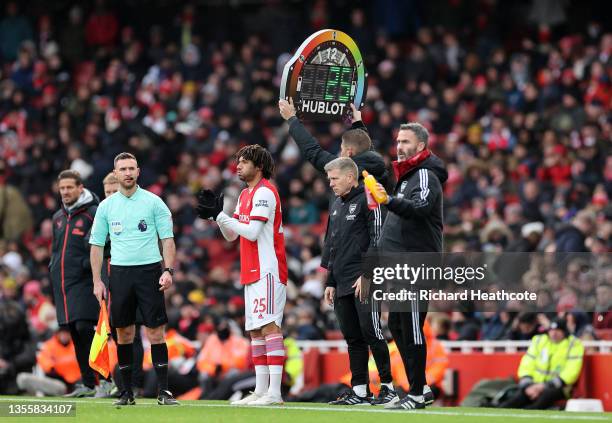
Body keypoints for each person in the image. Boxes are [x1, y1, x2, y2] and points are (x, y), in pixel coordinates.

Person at [196, 144, 288, 406]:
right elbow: (232, 235)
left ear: (259, 166)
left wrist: (221, 216)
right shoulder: (245, 194)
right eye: (238, 161)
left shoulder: (265, 193)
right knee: (256, 332)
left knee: (270, 327)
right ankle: (260, 390)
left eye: (244, 162)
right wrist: (218, 218)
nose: (238, 166)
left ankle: (275, 392)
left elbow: (251, 232)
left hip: (268, 269)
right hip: (250, 270)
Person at [89, 152, 179, 406]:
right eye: (123, 169)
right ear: (115, 174)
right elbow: (96, 245)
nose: (127, 173)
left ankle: (164, 391)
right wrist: (97, 281)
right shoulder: (106, 207)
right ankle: (126, 392)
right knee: (124, 333)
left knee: (155, 332)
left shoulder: (154, 202)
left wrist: (168, 270)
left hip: (150, 271)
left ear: (138, 172)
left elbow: (168, 240)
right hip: (119, 273)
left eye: (131, 168)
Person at [374, 122, 448, 410]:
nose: (399, 146)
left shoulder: (426, 174)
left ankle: (416, 392)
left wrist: (388, 200)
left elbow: (421, 207)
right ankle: (422, 387)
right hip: (400, 264)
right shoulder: (407, 177)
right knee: (397, 323)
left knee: (413, 326)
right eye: (397, 141)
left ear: (420, 146)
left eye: (405, 141)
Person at [321, 157, 394, 406]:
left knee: (372, 331)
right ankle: (360, 391)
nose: (331, 184)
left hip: (365, 279)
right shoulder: (336, 205)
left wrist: (368, 274)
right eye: (329, 179)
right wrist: (330, 280)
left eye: (335, 178)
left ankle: (388, 387)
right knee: (353, 338)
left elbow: (378, 239)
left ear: (350, 178)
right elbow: (332, 246)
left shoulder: (368, 199)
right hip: (341, 281)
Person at [49, 169, 100, 397]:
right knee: (74, 331)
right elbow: (56, 250)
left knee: (85, 328)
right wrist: (53, 266)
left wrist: (84, 265)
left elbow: (98, 246)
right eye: (62, 188)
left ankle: (103, 380)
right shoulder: (57, 218)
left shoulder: (93, 213)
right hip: (63, 283)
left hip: (85, 281)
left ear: (80, 188)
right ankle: (88, 384)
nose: (66, 192)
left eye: (70, 187)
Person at [95, 172, 145, 398]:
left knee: (133, 333)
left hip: (135, 276)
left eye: (114, 192)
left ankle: (134, 384)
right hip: (111, 279)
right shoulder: (103, 212)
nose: (110, 196)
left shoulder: (135, 208)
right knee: (117, 334)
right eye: (106, 193)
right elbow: (95, 244)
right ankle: (123, 384)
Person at [278, 99, 388, 186]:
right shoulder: (378, 170)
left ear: (349, 152)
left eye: (342, 149)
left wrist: (292, 120)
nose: (340, 154)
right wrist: (358, 123)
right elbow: (365, 146)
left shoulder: (347, 171)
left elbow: (314, 152)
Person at [498, 317, 584, 409]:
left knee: (543, 399)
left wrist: (543, 386)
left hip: (561, 387)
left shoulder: (574, 344)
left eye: (558, 330)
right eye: (551, 330)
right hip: (533, 384)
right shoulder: (540, 341)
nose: (554, 333)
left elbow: (571, 372)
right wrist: (527, 385)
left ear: (565, 332)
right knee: (516, 398)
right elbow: (527, 364)